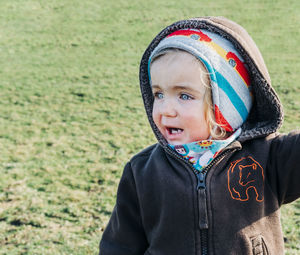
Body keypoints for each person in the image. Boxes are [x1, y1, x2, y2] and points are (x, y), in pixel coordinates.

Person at [99, 16, 300, 255]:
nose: (165, 109)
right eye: (158, 94)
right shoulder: (142, 172)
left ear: (225, 106)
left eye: (184, 95)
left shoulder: (269, 157)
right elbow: (119, 246)